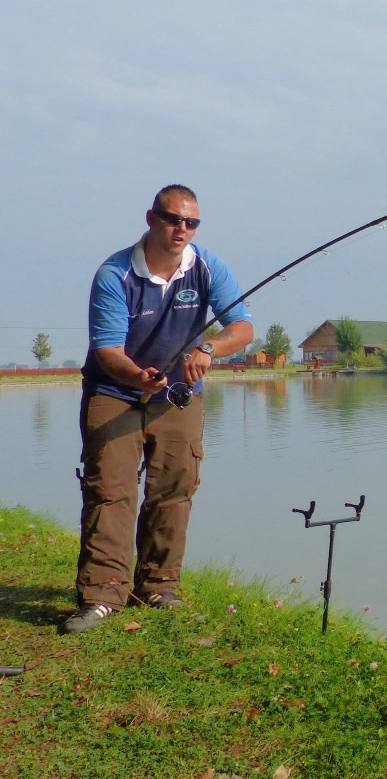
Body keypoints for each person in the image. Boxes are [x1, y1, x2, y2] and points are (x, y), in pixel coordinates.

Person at [59, 185, 253, 634]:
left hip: (178, 395)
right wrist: (138, 377)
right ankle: (101, 594)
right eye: (172, 219)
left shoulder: (207, 266)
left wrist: (209, 346)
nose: (181, 229)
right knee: (111, 492)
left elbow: (242, 328)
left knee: (174, 488)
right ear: (151, 218)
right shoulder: (114, 273)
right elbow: (107, 350)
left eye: (191, 222)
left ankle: (159, 586)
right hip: (115, 392)